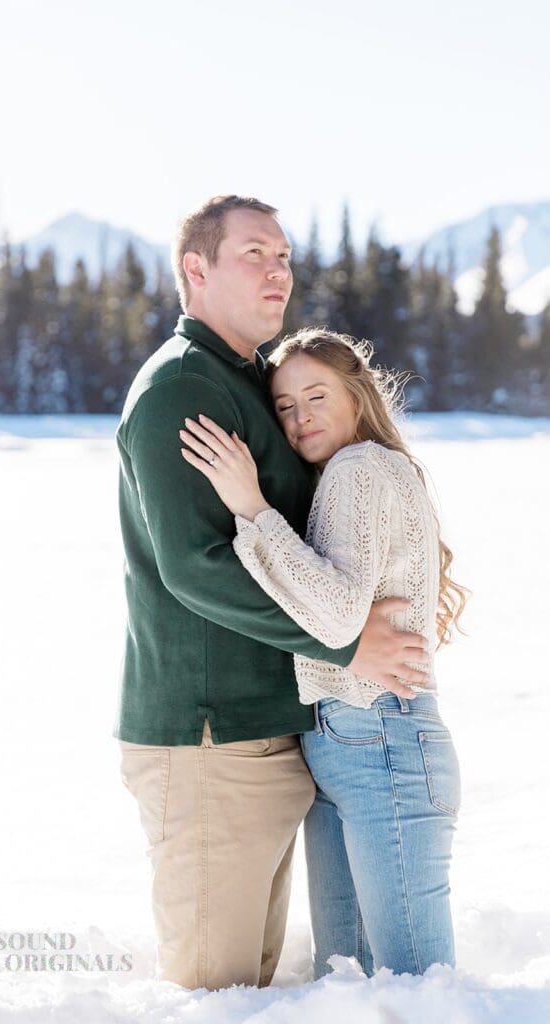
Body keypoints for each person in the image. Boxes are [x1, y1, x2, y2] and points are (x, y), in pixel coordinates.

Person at [115, 195, 429, 991]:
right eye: (254, 253)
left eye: (284, 255)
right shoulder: (182, 388)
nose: (278, 271)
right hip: (209, 737)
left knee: (254, 989)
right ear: (196, 269)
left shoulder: (255, 380)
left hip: (267, 734)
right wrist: (348, 643)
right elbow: (195, 565)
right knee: (213, 993)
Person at [180, 327, 468, 978]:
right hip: (351, 748)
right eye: (284, 406)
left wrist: (250, 507)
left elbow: (337, 620)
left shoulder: (357, 469)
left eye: (317, 395)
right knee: (347, 986)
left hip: (384, 745)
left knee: (416, 990)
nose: (301, 416)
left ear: (358, 395)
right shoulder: (361, 471)